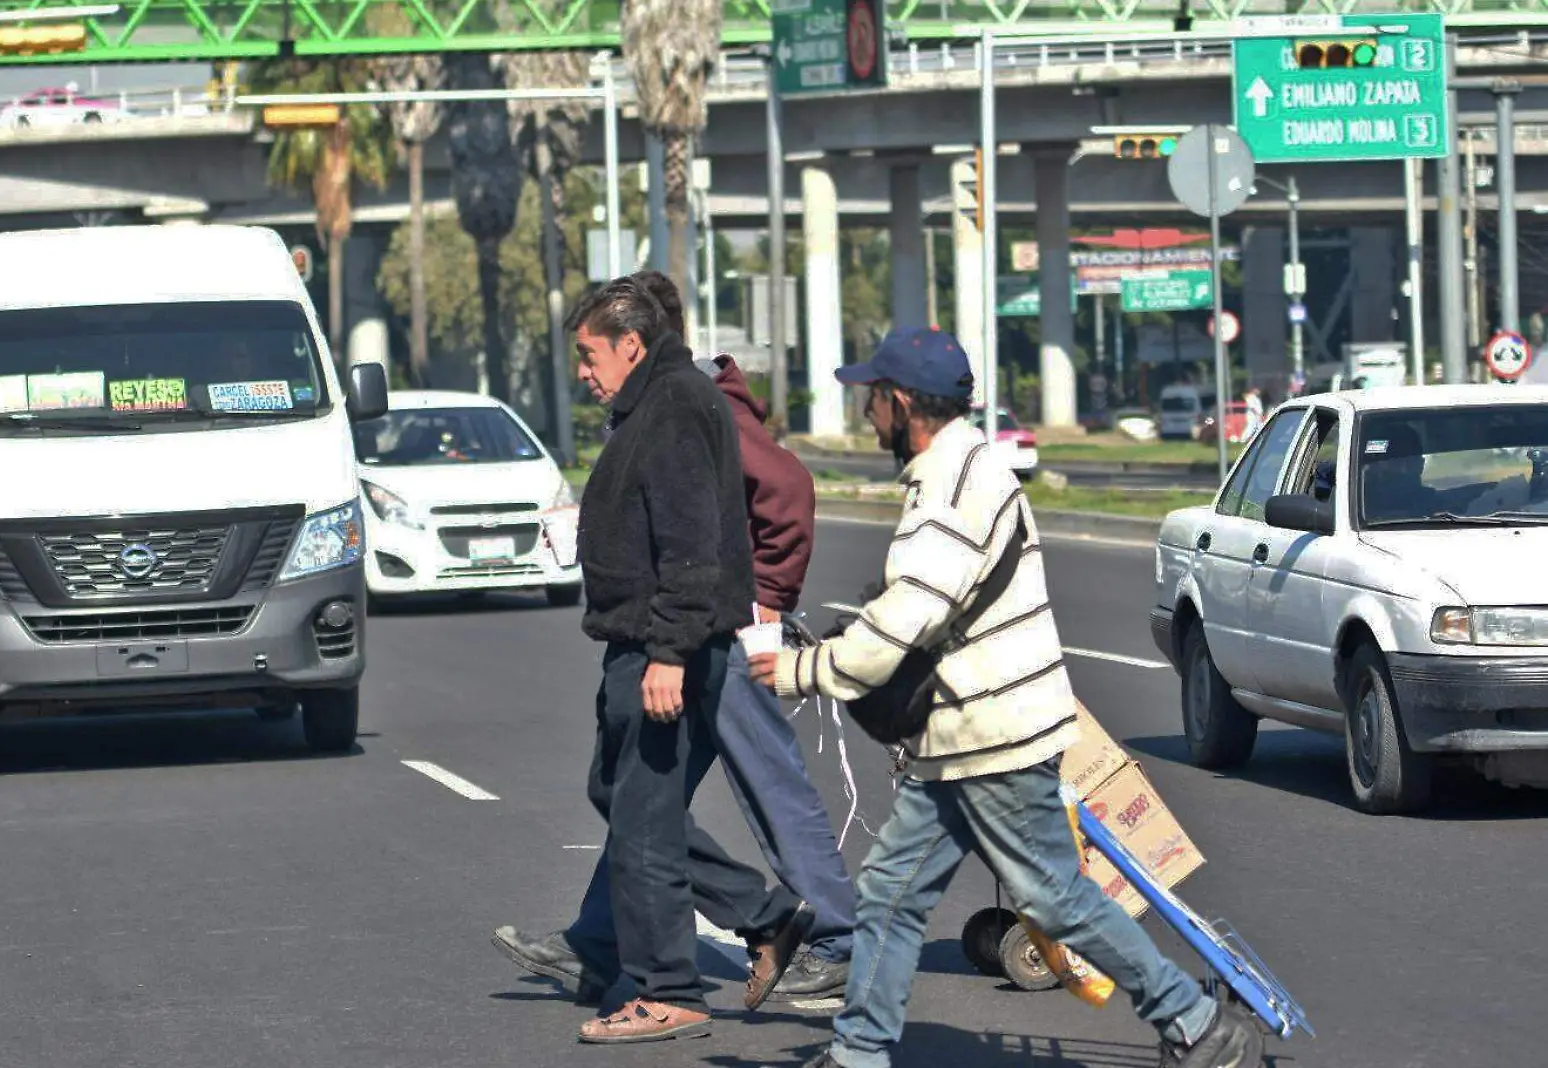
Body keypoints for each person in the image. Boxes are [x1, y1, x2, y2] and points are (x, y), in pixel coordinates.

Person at [748, 326, 1266, 1068]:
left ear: (900, 403)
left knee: (1055, 899)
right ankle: (859, 1052)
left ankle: (1194, 1022)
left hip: (994, 736)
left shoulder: (952, 493)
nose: (866, 416)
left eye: (871, 400)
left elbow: (904, 622)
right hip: (963, 735)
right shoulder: (963, 468)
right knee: (893, 893)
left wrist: (800, 670)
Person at [493, 274, 856, 1004]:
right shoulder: (651, 403)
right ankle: (601, 943)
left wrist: (766, 605)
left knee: (758, 789)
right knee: (634, 800)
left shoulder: (690, 402)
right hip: (685, 623)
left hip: (713, 628)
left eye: (592, 358)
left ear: (639, 340)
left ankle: (830, 934)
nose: (586, 376)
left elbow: (776, 499)